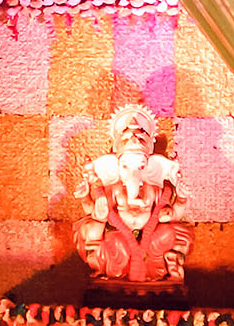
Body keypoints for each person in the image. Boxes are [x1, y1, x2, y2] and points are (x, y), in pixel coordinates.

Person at [73, 102, 192, 284]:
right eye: (126, 167)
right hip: (119, 239)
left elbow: (174, 214)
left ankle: (159, 271)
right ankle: (114, 273)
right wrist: (87, 198)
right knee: (104, 237)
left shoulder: (155, 189)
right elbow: (92, 210)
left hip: (150, 242)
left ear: (149, 167)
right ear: (116, 165)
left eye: (141, 167)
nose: (133, 173)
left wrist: (181, 198)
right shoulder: (113, 189)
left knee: (168, 233)